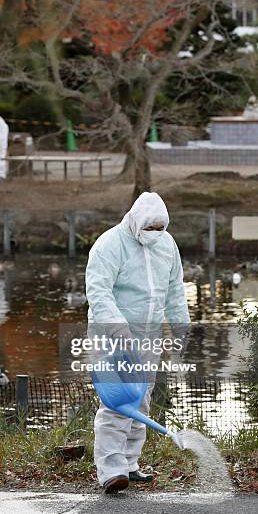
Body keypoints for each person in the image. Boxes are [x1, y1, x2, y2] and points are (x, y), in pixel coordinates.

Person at [85, 192, 190, 494]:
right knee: (118, 402)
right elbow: (99, 292)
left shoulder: (167, 245)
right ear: (135, 221)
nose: (154, 235)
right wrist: (119, 330)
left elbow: (174, 290)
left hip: (148, 335)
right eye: (150, 228)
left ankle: (130, 464)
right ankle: (111, 470)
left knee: (141, 400)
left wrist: (181, 325)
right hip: (111, 336)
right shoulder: (110, 244)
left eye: (160, 229)